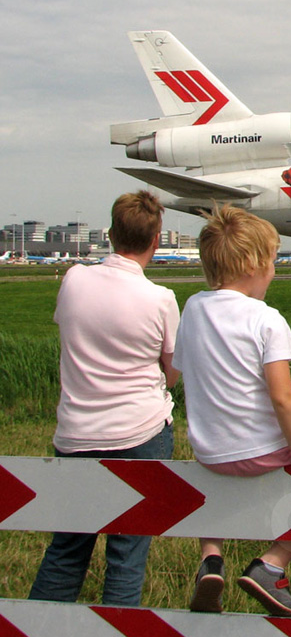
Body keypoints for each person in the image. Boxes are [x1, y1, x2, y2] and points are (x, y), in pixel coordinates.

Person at [29, 191, 179, 606]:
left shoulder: (74, 278)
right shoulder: (161, 299)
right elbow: (173, 370)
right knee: (127, 553)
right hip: (139, 433)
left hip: (77, 432)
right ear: (157, 239)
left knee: (67, 549)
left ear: (111, 235)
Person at [173, 205, 291, 618]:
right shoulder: (267, 319)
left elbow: (179, 369)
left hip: (209, 452)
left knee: (210, 493)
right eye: (273, 261)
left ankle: (211, 556)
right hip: (260, 450)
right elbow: (282, 398)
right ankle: (272, 565)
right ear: (255, 264)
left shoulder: (193, 309)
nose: (274, 270)